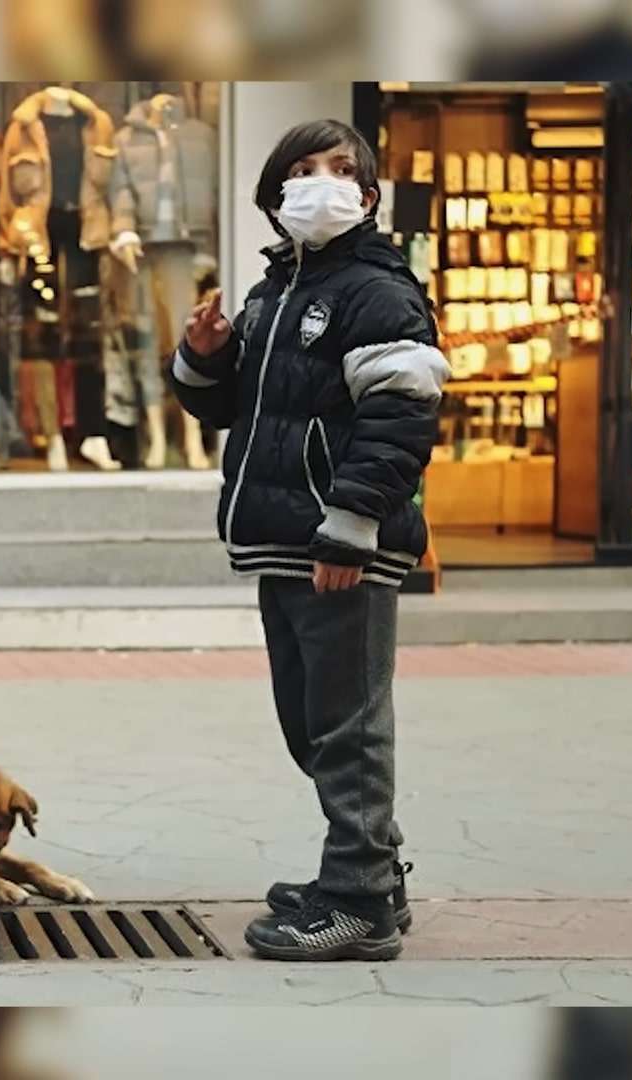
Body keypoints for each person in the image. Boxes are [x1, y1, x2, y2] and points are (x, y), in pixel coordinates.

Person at [168, 119, 448, 962]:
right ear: (274, 194)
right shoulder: (272, 293)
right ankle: (369, 871)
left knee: (347, 726)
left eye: (339, 169)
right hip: (286, 539)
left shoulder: (377, 291)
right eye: (300, 169)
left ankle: (358, 899)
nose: (318, 182)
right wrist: (202, 357)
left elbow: (404, 418)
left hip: (339, 547)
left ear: (367, 196)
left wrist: (351, 528)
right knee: (311, 722)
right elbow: (235, 413)